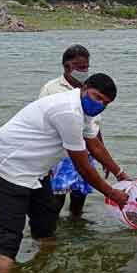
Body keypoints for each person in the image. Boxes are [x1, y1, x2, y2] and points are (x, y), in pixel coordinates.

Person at [0, 73, 130, 273]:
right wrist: (112, 194)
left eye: (105, 103)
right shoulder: (67, 111)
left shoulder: (84, 110)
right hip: (9, 165)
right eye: (97, 97)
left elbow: (94, 145)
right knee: (9, 233)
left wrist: (121, 174)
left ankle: (43, 268)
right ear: (85, 88)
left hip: (36, 169)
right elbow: (83, 166)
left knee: (46, 219)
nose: (100, 105)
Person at [39, 44, 103, 218]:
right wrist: (46, 163)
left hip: (86, 150)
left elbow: (94, 126)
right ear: (67, 67)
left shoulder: (91, 89)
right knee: (56, 198)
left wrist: (101, 157)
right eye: (80, 67)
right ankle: (49, 233)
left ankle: (76, 227)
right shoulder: (51, 88)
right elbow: (43, 125)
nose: (84, 70)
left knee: (79, 196)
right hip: (60, 153)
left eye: (86, 67)